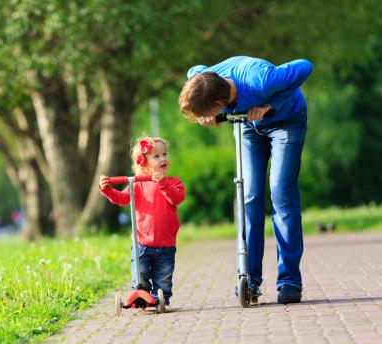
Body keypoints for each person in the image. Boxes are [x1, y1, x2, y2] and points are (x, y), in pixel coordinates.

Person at [178, 56, 313, 304]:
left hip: (286, 122)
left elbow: (305, 66)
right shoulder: (203, 78)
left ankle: (289, 280)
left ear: (219, 102)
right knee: (248, 195)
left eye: (209, 112)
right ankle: (249, 278)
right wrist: (204, 116)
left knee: (280, 193)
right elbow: (192, 70)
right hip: (249, 127)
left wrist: (270, 104)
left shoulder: (260, 80)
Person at [99, 137, 185, 308]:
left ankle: (162, 299)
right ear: (143, 163)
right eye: (156, 156)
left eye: (165, 154)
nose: (163, 159)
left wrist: (162, 183)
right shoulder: (137, 184)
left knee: (164, 275)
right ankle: (141, 297)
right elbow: (122, 199)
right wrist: (108, 190)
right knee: (141, 272)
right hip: (142, 242)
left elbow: (176, 198)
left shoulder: (173, 182)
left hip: (166, 242)